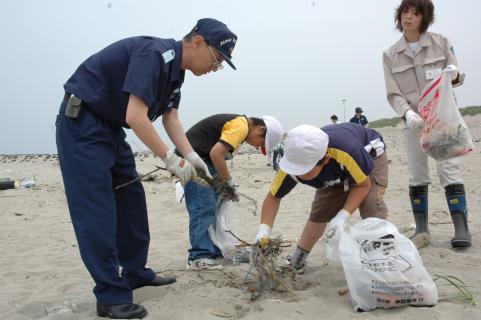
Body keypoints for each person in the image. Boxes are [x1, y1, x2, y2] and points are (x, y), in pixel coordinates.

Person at [55, 18, 237, 319]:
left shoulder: (176, 74)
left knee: (132, 201)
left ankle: (135, 271)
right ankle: (110, 295)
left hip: (110, 130)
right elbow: (136, 116)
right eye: (218, 58)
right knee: (97, 209)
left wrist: (191, 157)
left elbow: (171, 118)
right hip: (83, 124)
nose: (216, 67)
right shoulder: (154, 55)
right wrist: (170, 159)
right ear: (198, 42)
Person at [382, 0, 470, 249]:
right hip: (414, 121)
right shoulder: (390, 55)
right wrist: (408, 114)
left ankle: (461, 228)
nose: (408, 17)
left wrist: (455, 74)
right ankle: (422, 230)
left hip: (443, 119)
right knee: (417, 175)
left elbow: (456, 75)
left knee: (449, 169)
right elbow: (394, 93)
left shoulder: (441, 42)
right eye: (405, 12)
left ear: (425, 17)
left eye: (415, 13)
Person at [254, 123, 388, 272]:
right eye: (295, 169)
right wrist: (264, 230)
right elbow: (273, 197)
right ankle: (297, 261)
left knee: (371, 204)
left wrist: (342, 217)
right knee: (320, 211)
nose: (298, 174)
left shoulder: (347, 151)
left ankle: (383, 259)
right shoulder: (291, 164)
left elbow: (362, 186)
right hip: (333, 173)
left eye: (304, 170)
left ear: (325, 160)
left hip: (368, 155)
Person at [181, 114, 283, 269]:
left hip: (202, 160)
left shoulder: (240, 125)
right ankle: (199, 256)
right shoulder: (241, 126)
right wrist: (228, 181)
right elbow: (216, 154)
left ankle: (213, 250)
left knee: (214, 206)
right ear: (261, 129)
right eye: (261, 143)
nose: (257, 147)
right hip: (195, 160)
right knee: (203, 207)